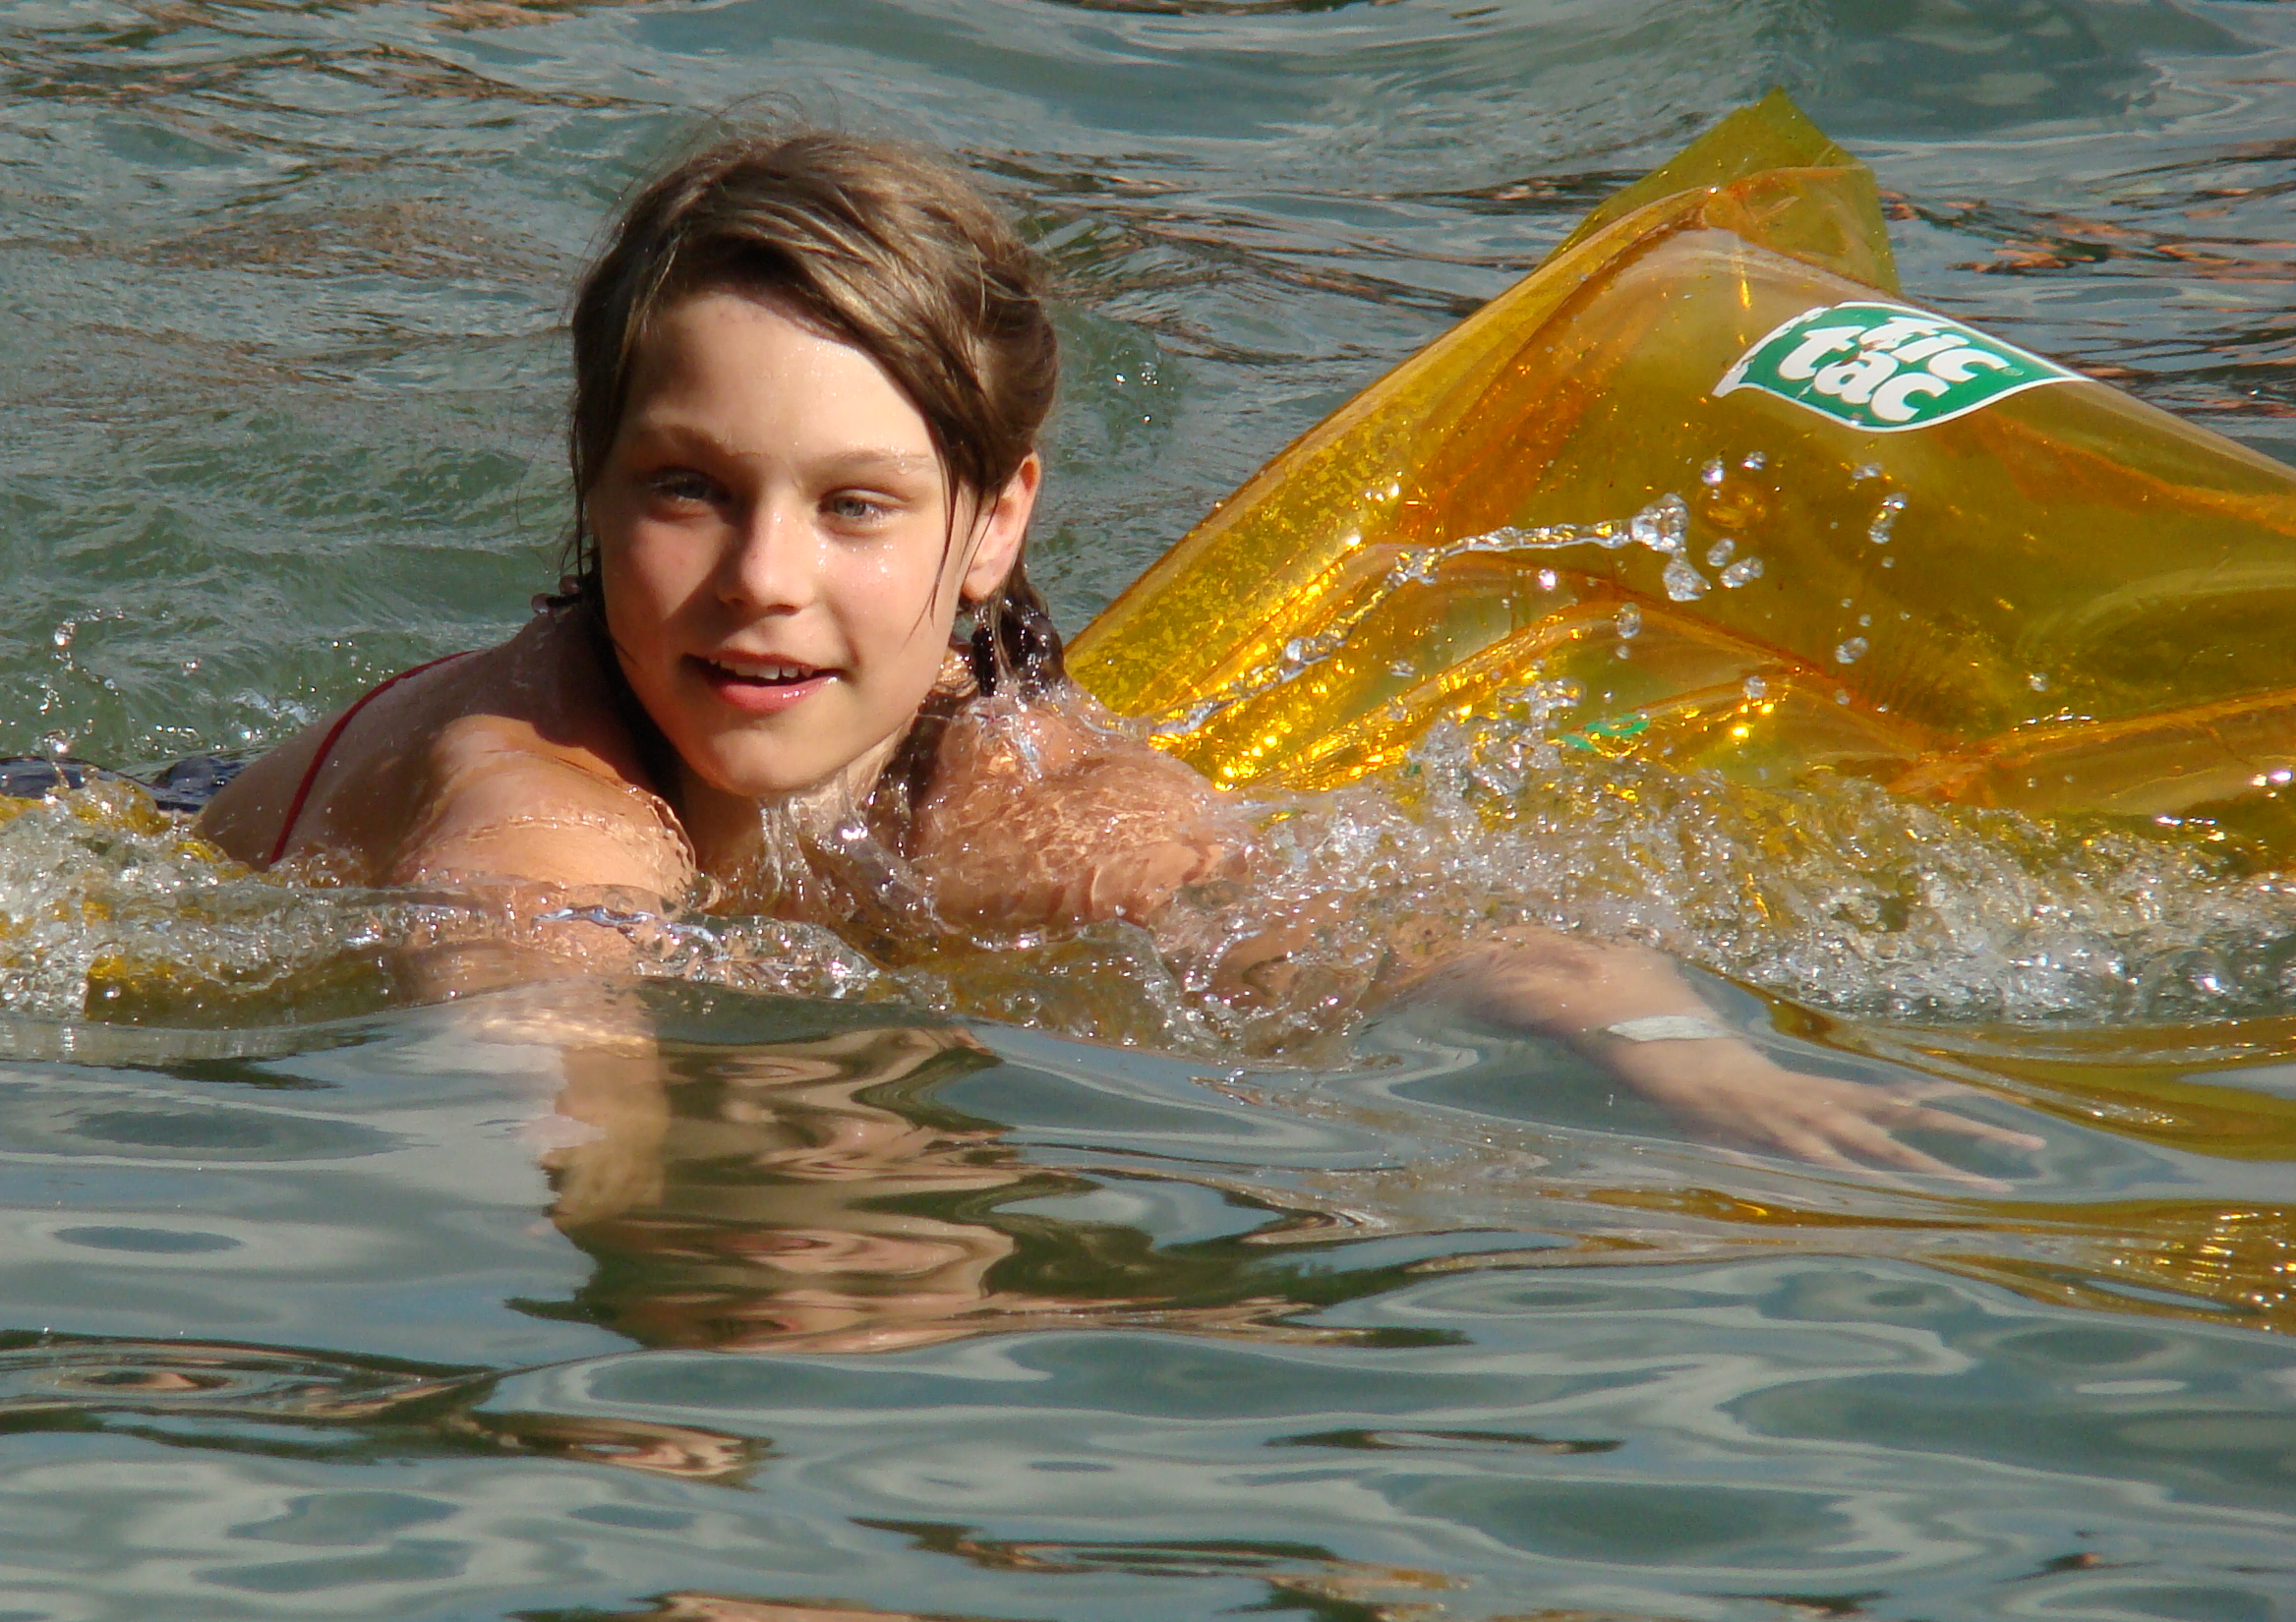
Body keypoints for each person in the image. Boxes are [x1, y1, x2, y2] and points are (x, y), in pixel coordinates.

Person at [200, 129, 2032, 1178]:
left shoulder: (1013, 798)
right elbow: (527, 1043)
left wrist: (1675, 1048)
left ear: (994, 523)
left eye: (855, 507)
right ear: (593, 488)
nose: (764, 580)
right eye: (689, 491)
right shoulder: (537, 797)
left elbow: (1387, 926)